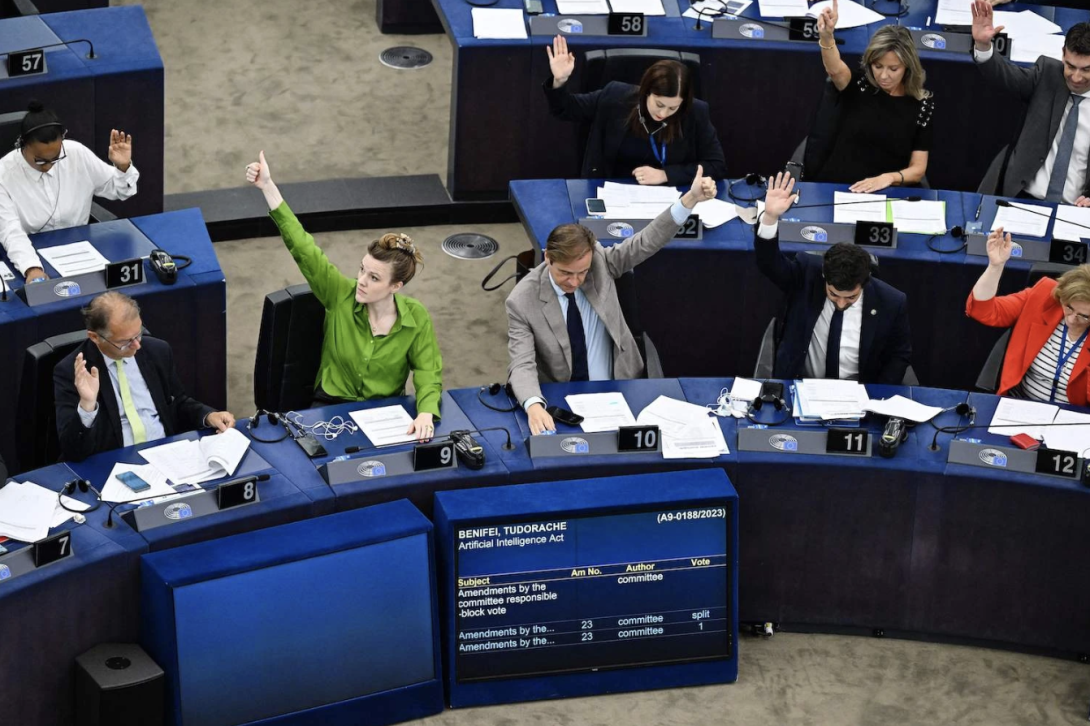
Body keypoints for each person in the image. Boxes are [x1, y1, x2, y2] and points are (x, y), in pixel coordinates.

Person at [246, 151, 442, 441]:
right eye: (362, 270)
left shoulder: (417, 318)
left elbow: (428, 372)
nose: (361, 281)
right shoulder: (340, 293)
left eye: (373, 277)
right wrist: (268, 186)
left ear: (395, 287)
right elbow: (303, 247)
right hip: (330, 407)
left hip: (385, 411)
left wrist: (426, 411)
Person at [507, 165, 717, 434]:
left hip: (620, 386)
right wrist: (534, 404)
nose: (574, 282)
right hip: (563, 396)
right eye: (565, 273)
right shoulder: (521, 301)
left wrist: (690, 199)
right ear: (547, 257)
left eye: (581, 272)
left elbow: (646, 241)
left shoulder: (600, 261)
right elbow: (521, 363)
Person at [755, 172, 913, 384]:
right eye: (833, 294)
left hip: (859, 393)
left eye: (851, 298)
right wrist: (770, 217)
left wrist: (874, 398)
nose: (840, 303)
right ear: (824, 275)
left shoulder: (892, 302)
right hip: (801, 385)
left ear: (865, 283)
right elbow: (769, 264)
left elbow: (899, 356)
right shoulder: (806, 275)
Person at [54, 292, 235, 462]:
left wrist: (208, 415)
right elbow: (73, 451)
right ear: (95, 337)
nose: (137, 346)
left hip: (165, 454)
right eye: (125, 342)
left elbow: (177, 403)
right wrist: (87, 406)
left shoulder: (157, 351)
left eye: (138, 334)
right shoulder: (71, 371)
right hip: (114, 461)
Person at [543, 35, 726, 186]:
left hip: (667, 194)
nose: (663, 114)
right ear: (646, 92)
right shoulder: (615, 96)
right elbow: (565, 109)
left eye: (673, 107)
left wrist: (666, 175)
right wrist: (560, 81)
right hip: (610, 187)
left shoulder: (695, 112)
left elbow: (716, 165)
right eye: (659, 104)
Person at [0, 101, 138, 283]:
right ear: (22, 145)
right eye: (41, 160)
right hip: (28, 255)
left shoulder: (76, 153)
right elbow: (10, 231)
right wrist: (32, 269)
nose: (49, 166)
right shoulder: (4, 174)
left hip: (81, 251)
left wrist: (122, 167)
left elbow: (119, 190)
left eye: (56, 158)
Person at [972, 2, 1090, 206]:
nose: (1077, 77)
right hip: (1021, 198)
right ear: (1063, 54)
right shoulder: (1047, 75)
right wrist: (983, 46)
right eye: (1070, 66)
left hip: (1074, 210)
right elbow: (1005, 76)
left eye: (1086, 69)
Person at [811, 4, 934, 193]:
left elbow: (918, 169)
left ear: (908, 67)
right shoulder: (859, 84)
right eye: (878, 66)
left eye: (893, 69)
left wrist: (888, 178)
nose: (884, 76)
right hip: (839, 185)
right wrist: (826, 36)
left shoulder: (921, 104)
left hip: (886, 190)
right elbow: (834, 69)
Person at [967, 229, 1090, 404]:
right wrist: (995, 266)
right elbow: (983, 311)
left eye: (1084, 316)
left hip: (1072, 419)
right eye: (1069, 308)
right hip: (1021, 404)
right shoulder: (1044, 295)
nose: (1071, 319)